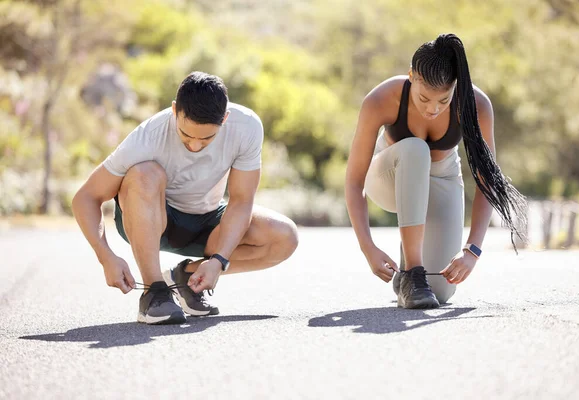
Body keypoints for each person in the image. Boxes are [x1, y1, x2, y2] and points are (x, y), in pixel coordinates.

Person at [72, 71, 299, 324]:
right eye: (186, 135)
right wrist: (106, 256)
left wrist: (219, 260)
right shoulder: (146, 137)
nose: (194, 146)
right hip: (152, 217)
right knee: (145, 172)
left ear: (225, 118)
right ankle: (154, 293)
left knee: (284, 237)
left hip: (207, 221)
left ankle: (185, 279)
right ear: (174, 110)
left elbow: (241, 200)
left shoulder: (247, 127)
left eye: (206, 138)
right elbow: (86, 197)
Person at [345, 33, 527, 309]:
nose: (433, 108)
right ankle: (413, 274)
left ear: (455, 86)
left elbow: (487, 182)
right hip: (388, 177)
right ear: (411, 76)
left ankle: (410, 268)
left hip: (441, 177)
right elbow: (354, 180)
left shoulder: (477, 105)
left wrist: (472, 251)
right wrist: (367, 247)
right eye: (424, 98)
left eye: (443, 101)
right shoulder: (382, 99)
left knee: (440, 292)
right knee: (416, 149)